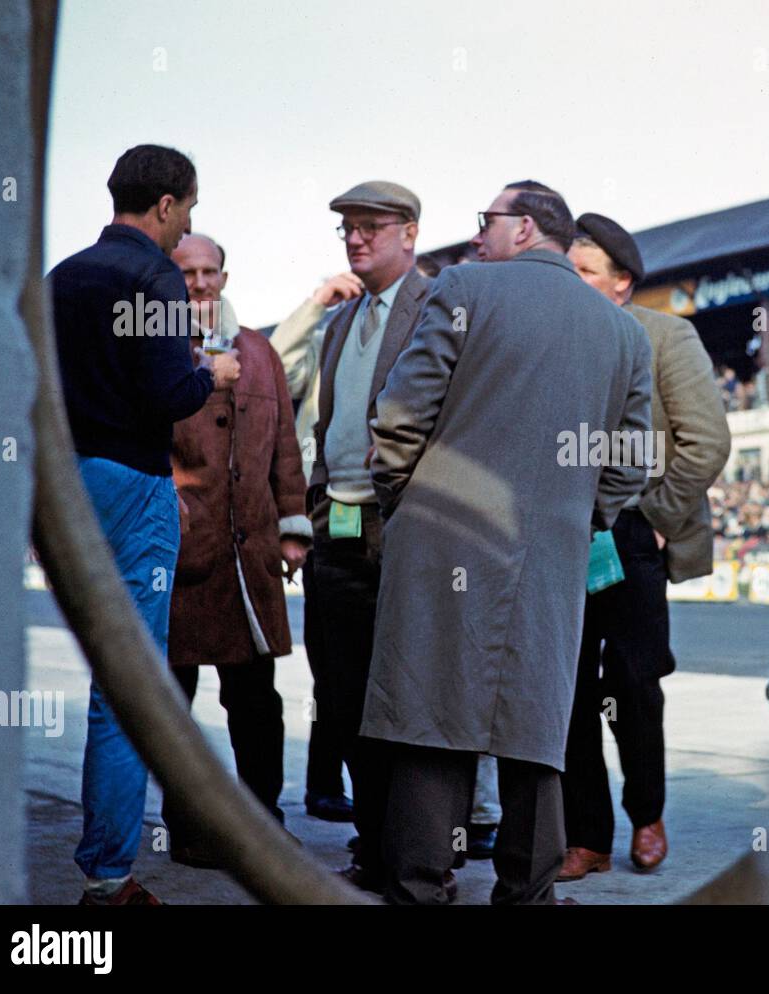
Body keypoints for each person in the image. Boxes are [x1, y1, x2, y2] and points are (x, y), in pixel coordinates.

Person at [362, 181, 653, 905]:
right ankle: (529, 891)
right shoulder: (623, 332)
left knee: (433, 721)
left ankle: (420, 887)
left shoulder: (464, 288)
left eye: (485, 221)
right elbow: (629, 461)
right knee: (535, 725)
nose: (475, 236)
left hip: (442, 535)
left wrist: (400, 498)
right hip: (549, 550)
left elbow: (401, 412)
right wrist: (579, 518)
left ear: (523, 227)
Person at [49, 144, 240, 905]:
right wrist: (211, 374)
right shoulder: (152, 274)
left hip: (71, 483)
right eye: (188, 209)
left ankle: (105, 861)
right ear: (166, 205)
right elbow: (170, 391)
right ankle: (110, 874)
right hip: (134, 483)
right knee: (129, 683)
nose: (187, 222)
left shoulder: (62, 276)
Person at [561, 213, 731, 879]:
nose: (569, 286)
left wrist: (655, 520)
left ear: (621, 283)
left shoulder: (667, 336)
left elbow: (706, 441)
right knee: (566, 690)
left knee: (632, 683)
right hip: (560, 533)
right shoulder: (552, 345)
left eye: (584, 274)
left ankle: (648, 813)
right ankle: (588, 839)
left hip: (631, 534)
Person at [161, 233, 310, 867]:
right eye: (187, 272)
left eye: (209, 272)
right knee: (173, 700)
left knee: (255, 700)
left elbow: (283, 446)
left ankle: (262, 820)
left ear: (225, 275)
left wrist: (294, 523)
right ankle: (188, 826)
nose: (200, 283)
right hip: (183, 557)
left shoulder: (258, 350)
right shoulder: (151, 346)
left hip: (250, 560)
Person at [304, 181, 431, 891]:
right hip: (339, 525)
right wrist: (320, 505)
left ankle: (409, 849)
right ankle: (374, 843)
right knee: (345, 694)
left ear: (409, 232)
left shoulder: (438, 306)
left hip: (401, 528)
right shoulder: (341, 323)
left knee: (403, 699)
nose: (355, 239)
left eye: (371, 227)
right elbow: (329, 430)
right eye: (347, 228)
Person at [270, 270, 364, 825]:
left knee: (371, 667)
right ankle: (324, 785)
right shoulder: (327, 345)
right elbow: (274, 366)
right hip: (326, 521)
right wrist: (317, 302)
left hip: (385, 520)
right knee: (332, 664)